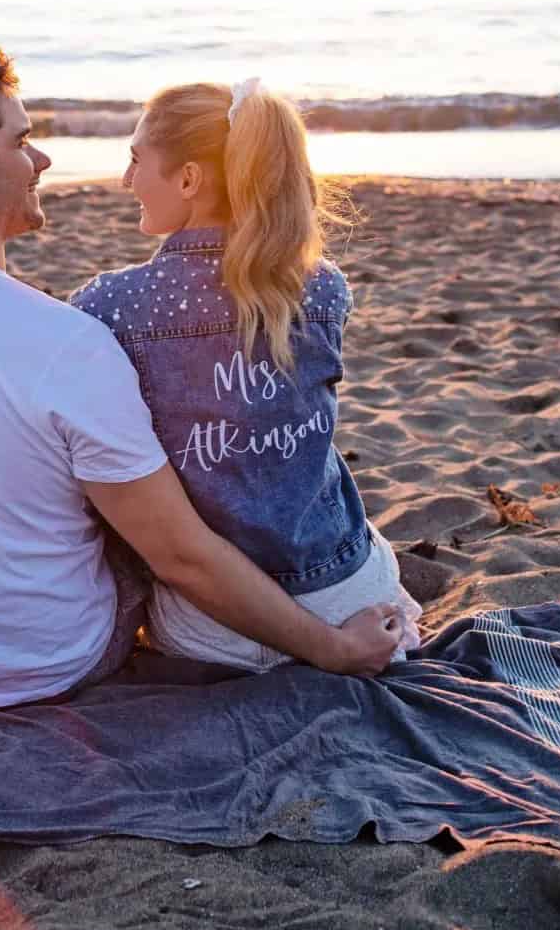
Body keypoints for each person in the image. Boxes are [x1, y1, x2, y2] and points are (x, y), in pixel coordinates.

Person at [0, 48, 401, 712]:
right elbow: (179, 556)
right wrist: (333, 649)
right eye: (22, 142)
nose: (43, 160)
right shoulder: (70, 342)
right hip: (55, 660)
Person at [70, 78, 422, 672]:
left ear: (188, 180)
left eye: (135, 160)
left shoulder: (110, 307)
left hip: (215, 625)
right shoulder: (322, 286)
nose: (126, 180)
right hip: (347, 597)